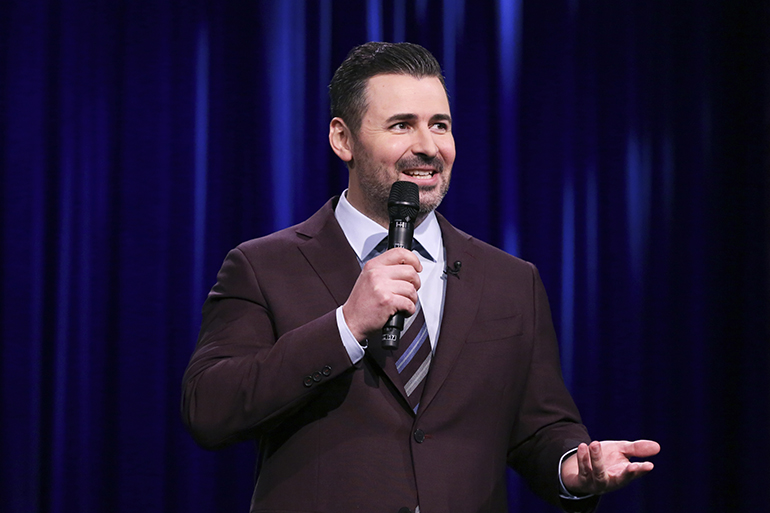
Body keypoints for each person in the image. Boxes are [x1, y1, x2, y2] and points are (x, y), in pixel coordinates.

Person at [181, 41, 659, 513]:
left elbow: (539, 428)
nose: (428, 147)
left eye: (440, 125)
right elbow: (210, 410)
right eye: (402, 125)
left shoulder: (511, 281)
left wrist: (571, 468)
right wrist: (345, 326)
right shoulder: (263, 266)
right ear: (342, 139)